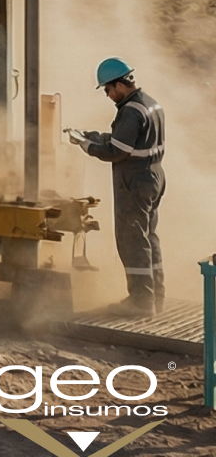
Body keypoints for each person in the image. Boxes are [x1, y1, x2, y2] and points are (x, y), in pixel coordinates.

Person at [69, 57, 166, 314]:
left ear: (120, 85)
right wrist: (91, 135)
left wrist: (86, 146)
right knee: (148, 237)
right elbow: (127, 141)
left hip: (135, 182)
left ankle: (141, 302)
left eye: (107, 90)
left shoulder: (131, 111)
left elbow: (117, 151)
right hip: (153, 176)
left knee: (132, 240)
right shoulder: (150, 104)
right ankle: (156, 296)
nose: (108, 95)